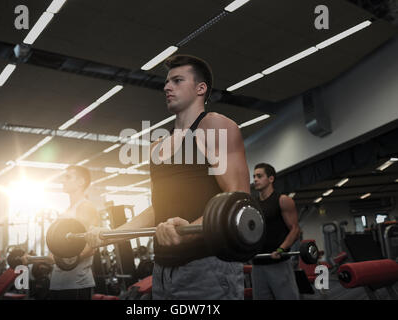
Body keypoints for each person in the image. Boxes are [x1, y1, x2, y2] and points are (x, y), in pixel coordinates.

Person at [87, 55, 251, 299]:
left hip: (207, 267)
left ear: (200, 88)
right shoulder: (157, 145)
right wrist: (111, 234)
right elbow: (157, 208)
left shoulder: (215, 127)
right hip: (162, 270)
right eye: (166, 82)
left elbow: (238, 202)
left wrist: (192, 228)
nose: (167, 87)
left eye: (177, 80)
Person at [251, 163, 301, 300]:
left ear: (271, 179)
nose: (255, 179)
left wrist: (281, 249)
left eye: (259, 176)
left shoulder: (282, 200)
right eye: (254, 176)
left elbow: (295, 229)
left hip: (278, 262)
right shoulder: (252, 204)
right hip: (258, 264)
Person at [49, 165, 99, 300]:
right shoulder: (66, 212)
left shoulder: (85, 207)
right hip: (58, 282)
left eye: (68, 177)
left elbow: (90, 246)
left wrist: (63, 260)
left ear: (81, 182)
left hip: (77, 284)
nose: (63, 180)